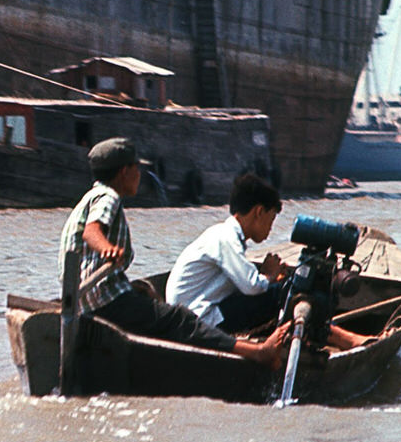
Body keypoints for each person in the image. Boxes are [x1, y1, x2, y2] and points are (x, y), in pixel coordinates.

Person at [58, 138, 288, 368]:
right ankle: (257, 351)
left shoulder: (87, 198)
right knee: (180, 319)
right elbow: (92, 231)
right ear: (124, 172)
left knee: (151, 302)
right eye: (137, 169)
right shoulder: (109, 197)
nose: (139, 174)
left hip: (86, 300)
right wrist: (105, 247)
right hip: (104, 299)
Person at [165, 172, 368, 350]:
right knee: (288, 292)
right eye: (271, 220)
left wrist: (269, 277)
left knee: (282, 289)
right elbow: (252, 286)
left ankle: (310, 335)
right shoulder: (225, 238)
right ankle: (344, 339)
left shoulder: (223, 236)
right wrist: (269, 275)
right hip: (197, 321)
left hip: (197, 314)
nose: (270, 229)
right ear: (259, 212)